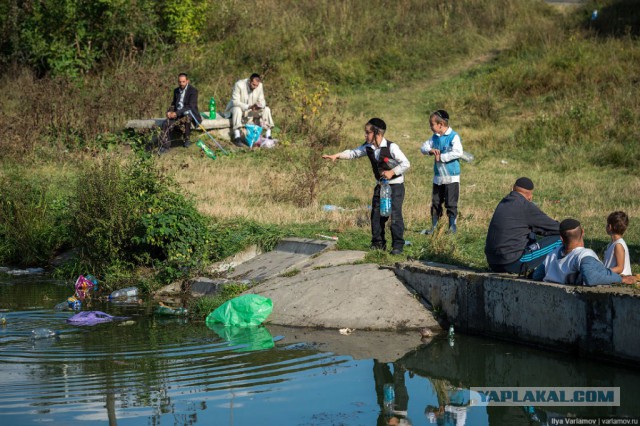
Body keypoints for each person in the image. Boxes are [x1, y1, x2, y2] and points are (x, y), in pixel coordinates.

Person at [322, 118, 410, 254]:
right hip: (381, 186)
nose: (365, 135)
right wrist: (336, 155)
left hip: (395, 186)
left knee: (395, 215)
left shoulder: (392, 147)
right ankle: (378, 244)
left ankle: (397, 246)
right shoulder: (368, 147)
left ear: (377, 133)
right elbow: (353, 153)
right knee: (376, 214)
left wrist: (392, 172)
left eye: (368, 132)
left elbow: (406, 163)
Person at [485, 177, 561, 275]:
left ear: (513, 188)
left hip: (493, 262)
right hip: (512, 262)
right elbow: (555, 228)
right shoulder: (525, 205)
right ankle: (550, 274)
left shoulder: (504, 202)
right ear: (530, 196)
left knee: (531, 232)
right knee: (563, 238)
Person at [532, 218, 635, 285]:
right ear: (583, 233)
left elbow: (537, 275)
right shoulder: (584, 255)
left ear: (561, 239)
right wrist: (622, 279)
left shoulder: (553, 253)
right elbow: (592, 278)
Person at [420, 110, 463, 234]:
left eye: (432, 124)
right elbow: (423, 147)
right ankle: (434, 227)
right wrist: (430, 151)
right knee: (436, 202)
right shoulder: (435, 137)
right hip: (438, 177)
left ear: (440, 124)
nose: (430, 127)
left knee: (451, 203)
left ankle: (452, 227)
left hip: (451, 177)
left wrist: (442, 157)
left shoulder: (453, 136)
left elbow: (458, 152)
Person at [224, 73, 275, 146]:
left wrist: (260, 106)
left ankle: (268, 135)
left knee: (266, 109)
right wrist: (248, 106)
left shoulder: (259, 86)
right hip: (236, 109)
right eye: (253, 85)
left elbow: (262, 100)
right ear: (249, 81)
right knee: (237, 109)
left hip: (251, 111)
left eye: (256, 85)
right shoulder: (239, 85)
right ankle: (237, 137)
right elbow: (235, 102)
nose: (255, 87)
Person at [160, 73, 201, 152]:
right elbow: (174, 103)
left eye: (183, 82)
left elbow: (190, 106)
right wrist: (169, 112)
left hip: (189, 113)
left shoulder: (193, 91)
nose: (181, 84)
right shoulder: (176, 91)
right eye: (180, 82)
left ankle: (187, 139)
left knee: (187, 117)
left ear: (187, 81)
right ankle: (165, 146)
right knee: (165, 123)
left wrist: (177, 113)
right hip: (178, 113)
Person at [603, 211, 632, 275]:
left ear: (609, 227)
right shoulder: (612, 244)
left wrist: (603, 272)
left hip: (621, 281)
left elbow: (620, 268)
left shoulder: (618, 245)